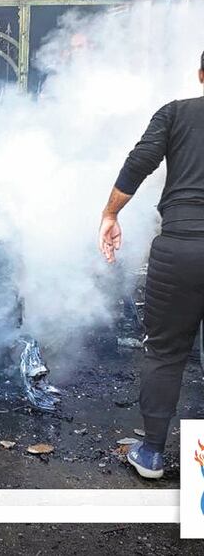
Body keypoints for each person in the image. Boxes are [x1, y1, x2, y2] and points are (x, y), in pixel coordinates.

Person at [98, 50, 204, 480]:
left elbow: (139, 163)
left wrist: (110, 214)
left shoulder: (176, 114)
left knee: (165, 353)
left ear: (200, 74)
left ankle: (153, 454)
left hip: (178, 248)